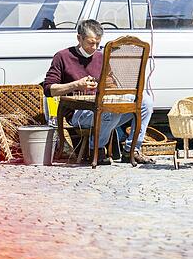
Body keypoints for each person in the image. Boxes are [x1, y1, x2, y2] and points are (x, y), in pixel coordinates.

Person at [43, 19, 155, 165]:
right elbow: (48, 89)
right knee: (109, 111)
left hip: (101, 107)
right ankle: (95, 149)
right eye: (90, 43)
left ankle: (131, 149)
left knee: (145, 101)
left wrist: (114, 93)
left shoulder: (101, 56)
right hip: (78, 112)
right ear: (79, 38)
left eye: (97, 42)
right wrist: (76, 85)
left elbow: (111, 84)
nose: (94, 47)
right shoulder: (62, 56)